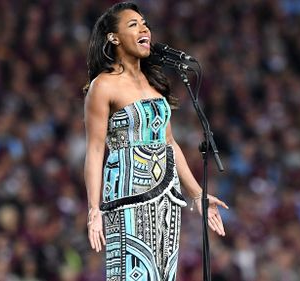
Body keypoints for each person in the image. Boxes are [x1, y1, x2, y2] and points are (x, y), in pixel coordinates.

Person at [82, 2, 228, 280]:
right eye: (133, 24)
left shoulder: (154, 85)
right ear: (113, 38)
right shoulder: (104, 85)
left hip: (166, 197)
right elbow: (95, 149)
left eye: (145, 23)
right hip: (127, 197)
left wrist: (197, 194)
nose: (144, 28)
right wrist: (94, 207)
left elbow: (169, 144)